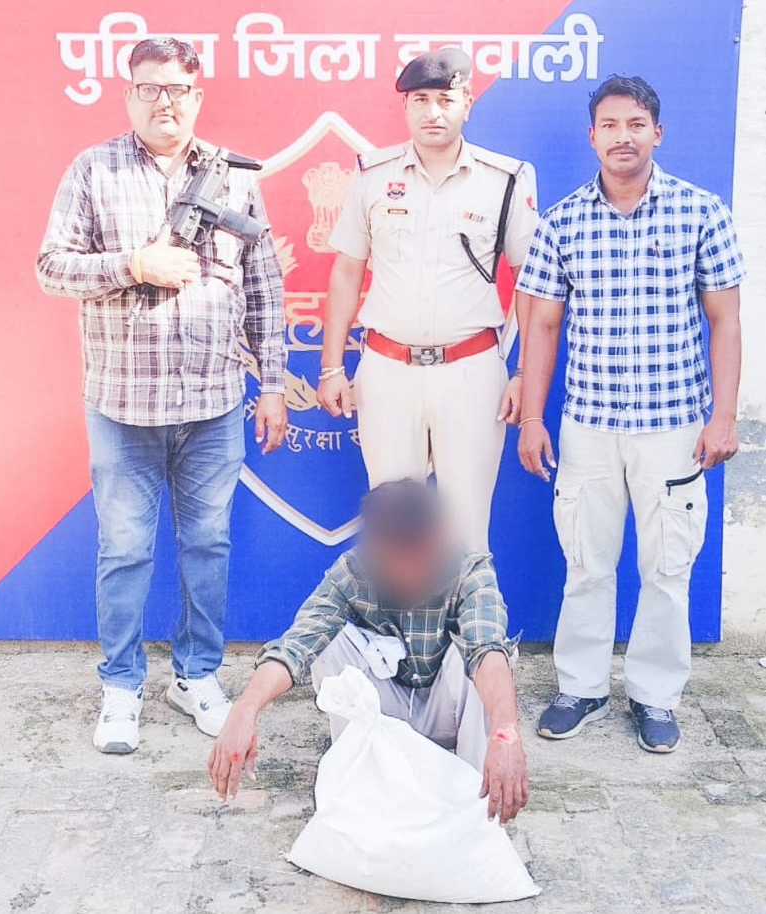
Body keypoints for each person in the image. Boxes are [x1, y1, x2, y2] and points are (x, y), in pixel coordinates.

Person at [36, 38, 287, 754]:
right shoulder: (94, 169)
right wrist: (135, 264)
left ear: (197, 96)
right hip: (123, 405)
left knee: (208, 545)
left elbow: (265, 285)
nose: (164, 101)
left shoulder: (233, 178)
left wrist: (272, 383)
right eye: (149, 88)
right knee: (124, 550)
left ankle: (196, 675)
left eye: (177, 89)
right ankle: (120, 686)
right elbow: (50, 268)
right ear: (128, 95)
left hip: (213, 402)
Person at [516, 75, 745, 753]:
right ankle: (581, 687)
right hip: (588, 423)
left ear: (657, 133)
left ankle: (655, 696)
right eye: (610, 125)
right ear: (592, 136)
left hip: (674, 425)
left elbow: (726, 321)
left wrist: (723, 416)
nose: (623, 137)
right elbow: (542, 326)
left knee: (667, 568)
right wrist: (532, 418)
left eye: (636, 124)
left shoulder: (700, 213)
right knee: (586, 563)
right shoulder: (562, 221)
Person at [316, 49, 538, 553]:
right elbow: (347, 271)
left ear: (468, 104)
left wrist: (524, 372)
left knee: (466, 529)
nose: (433, 112)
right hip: (388, 370)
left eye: (446, 99)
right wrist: (331, 367)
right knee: (393, 529)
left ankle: (470, 612)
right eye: (420, 100)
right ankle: (396, 613)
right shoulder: (373, 175)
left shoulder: (503, 180)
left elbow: (529, 282)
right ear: (405, 107)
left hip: (471, 371)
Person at [209, 479, 529, 824]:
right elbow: (296, 646)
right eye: (395, 558)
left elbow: (487, 649)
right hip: (384, 710)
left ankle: (473, 797)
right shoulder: (353, 570)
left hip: (446, 710)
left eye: (417, 557)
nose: (407, 572)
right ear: (374, 547)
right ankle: (357, 783)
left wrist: (506, 733)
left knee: (488, 658)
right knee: (329, 641)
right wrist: (244, 710)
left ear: (437, 539)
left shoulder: (470, 570)